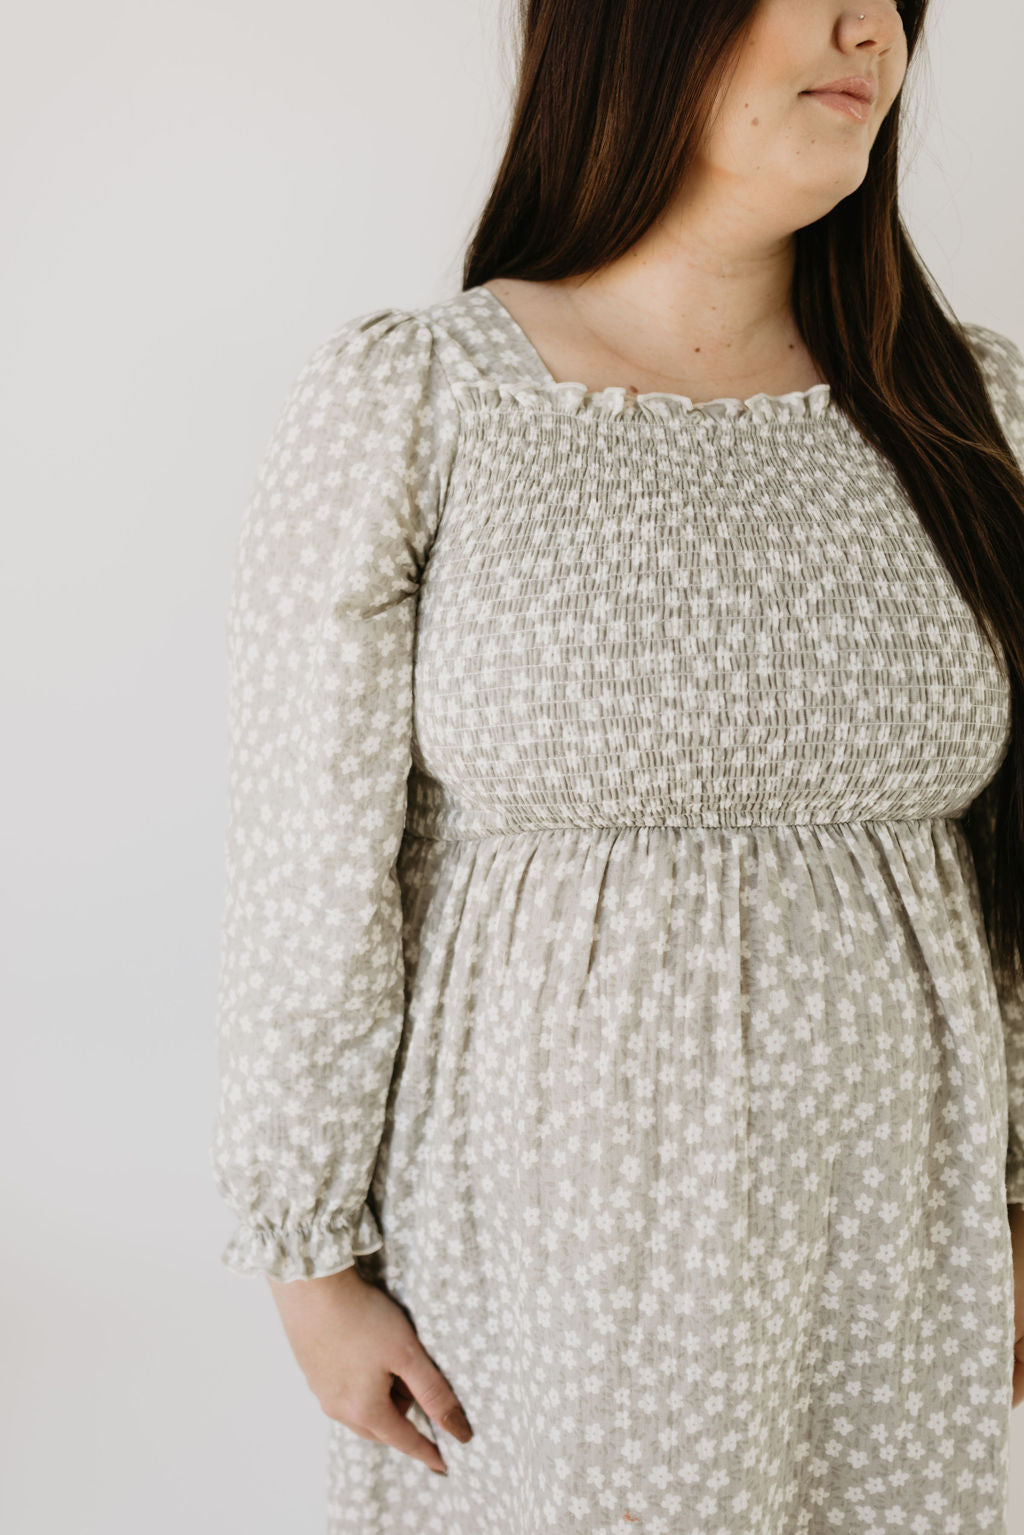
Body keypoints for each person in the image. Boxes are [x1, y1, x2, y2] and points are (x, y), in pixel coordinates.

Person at [210, 0, 1024, 1529]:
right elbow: (307, 872)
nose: (875, 27)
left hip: (894, 1275)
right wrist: (308, 1261)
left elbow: (1020, 864)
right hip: (537, 1290)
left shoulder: (971, 410)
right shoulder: (423, 400)